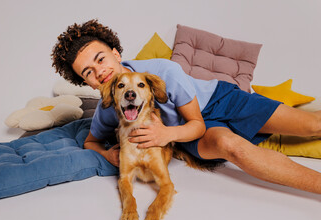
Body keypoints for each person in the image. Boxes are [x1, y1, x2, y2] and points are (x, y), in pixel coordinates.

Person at [51, 19, 321, 194]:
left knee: (312, 125)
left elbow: (197, 121)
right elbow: (91, 141)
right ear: (87, 82)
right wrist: (110, 155)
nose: (99, 71)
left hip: (219, 100)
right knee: (232, 148)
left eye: (101, 59)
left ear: (116, 53)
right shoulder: (108, 107)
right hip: (190, 135)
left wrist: (164, 134)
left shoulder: (163, 70)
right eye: (88, 72)